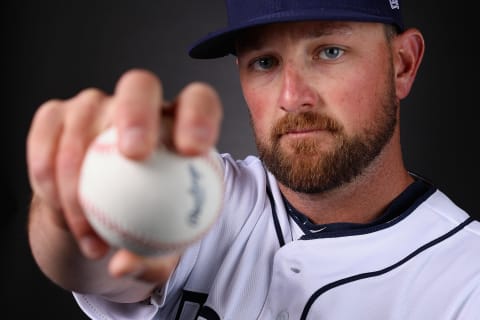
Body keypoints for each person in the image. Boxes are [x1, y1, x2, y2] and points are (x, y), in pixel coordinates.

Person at [26, 0, 480, 319]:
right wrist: (72, 202)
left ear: (402, 64)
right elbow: (86, 262)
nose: (291, 97)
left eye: (329, 51)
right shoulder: (200, 197)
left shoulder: (466, 280)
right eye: (264, 62)